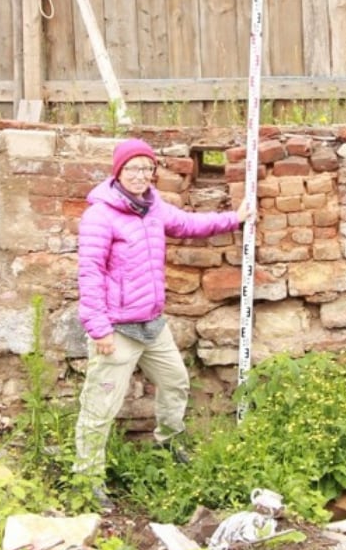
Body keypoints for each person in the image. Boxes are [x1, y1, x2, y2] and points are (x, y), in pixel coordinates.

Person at [74, 138, 251, 504]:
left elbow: (189, 224)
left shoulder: (153, 207)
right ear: (118, 171)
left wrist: (236, 218)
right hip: (117, 329)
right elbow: (89, 273)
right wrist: (99, 328)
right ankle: (87, 478)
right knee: (100, 406)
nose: (140, 175)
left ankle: (168, 442)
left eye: (146, 167)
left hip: (152, 324)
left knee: (176, 382)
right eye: (132, 168)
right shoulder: (100, 215)